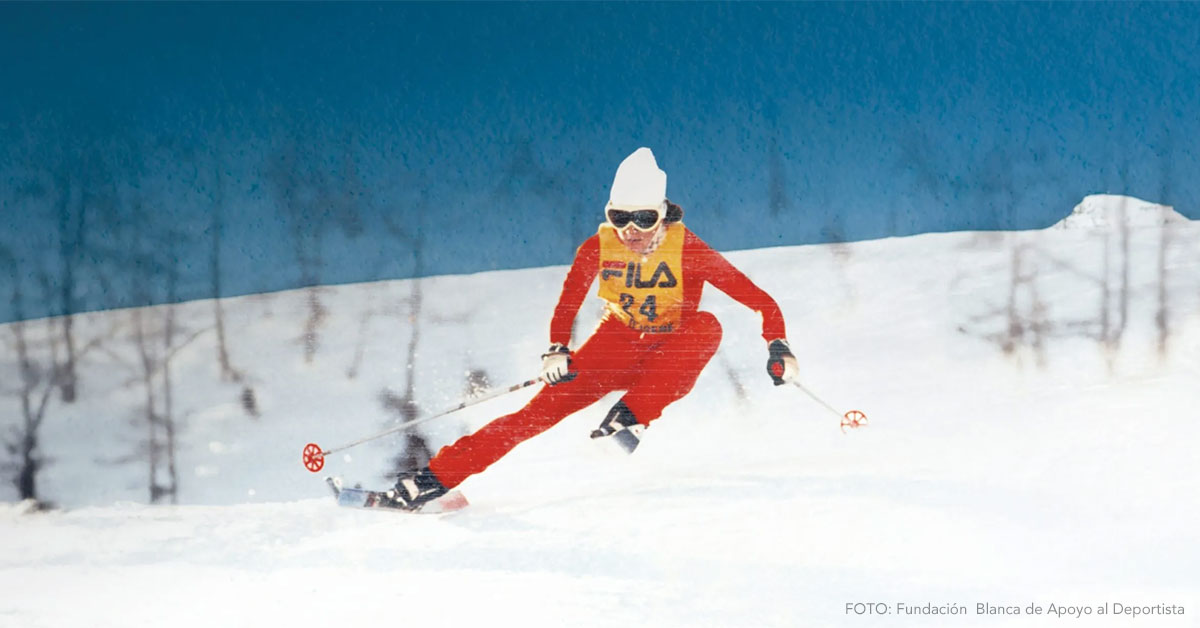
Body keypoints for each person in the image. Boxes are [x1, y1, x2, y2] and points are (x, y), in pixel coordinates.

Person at [387, 147, 799, 510]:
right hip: (613, 347)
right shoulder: (597, 248)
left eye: (643, 218)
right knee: (533, 416)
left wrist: (777, 343)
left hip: (670, 352)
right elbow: (568, 303)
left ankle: (629, 417)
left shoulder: (689, 249)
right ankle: (432, 483)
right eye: (620, 217)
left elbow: (761, 300)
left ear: (662, 214)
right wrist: (557, 349)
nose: (631, 231)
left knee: (707, 326)